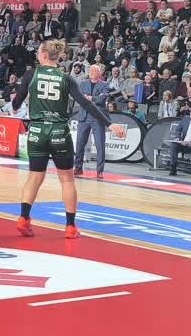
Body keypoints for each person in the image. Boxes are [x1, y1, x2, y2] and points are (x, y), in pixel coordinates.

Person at [6, 39, 116, 239]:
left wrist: (16, 104)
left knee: (34, 177)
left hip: (37, 131)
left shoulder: (31, 74)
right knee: (67, 179)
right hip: (59, 132)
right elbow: (85, 104)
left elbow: (16, 103)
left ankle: (23, 218)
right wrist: (109, 124)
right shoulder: (66, 78)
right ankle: (70, 227)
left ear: (44, 55)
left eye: (38, 53)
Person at [72, 63, 113, 179]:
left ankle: (100, 171)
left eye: (94, 71)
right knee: (80, 144)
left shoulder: (105, 84)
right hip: (84, 117)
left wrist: (91, 98)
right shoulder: (83, 83)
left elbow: (101, 99)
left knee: (100, 145)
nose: (91, 73)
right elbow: (79, 97)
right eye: (90, 71)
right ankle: (78, 168)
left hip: (97, 117)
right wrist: (88, 98)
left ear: (99, 73)